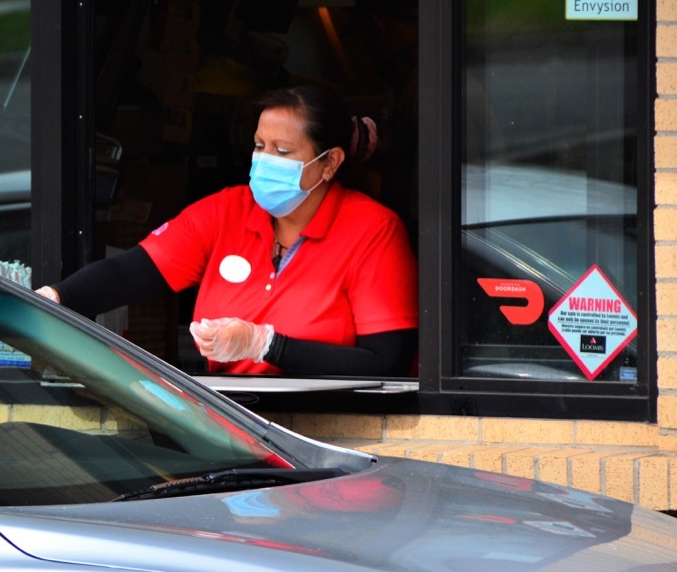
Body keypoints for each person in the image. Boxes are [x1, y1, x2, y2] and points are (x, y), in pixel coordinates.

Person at [36, 84, 418, 376]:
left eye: (283, 152)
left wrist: (265, 344)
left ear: (330, 162)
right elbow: (132, 272)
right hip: (228, 417)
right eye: (259, 146)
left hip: (331, 424)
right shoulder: (229, 209)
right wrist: (55, 298)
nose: (266, 160)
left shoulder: (374, 230)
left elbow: (386, 361)